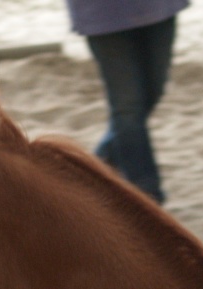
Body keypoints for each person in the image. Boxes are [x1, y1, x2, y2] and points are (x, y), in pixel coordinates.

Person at [64, 0, 190, 204]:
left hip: (159, 7)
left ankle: (94, 166)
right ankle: (147, 196)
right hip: (102, 14)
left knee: (150, 94)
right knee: (128, 108)